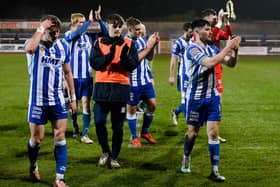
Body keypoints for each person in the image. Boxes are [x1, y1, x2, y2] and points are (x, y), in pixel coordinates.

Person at [180, 19, 240, 182]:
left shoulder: (212, 48)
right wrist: (228, 46)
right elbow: (210, 62)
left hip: (212, 98)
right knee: (192, 134)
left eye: (210, 29)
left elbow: (231, 64)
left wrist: (235, 51)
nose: (211, 31)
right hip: (195, 99)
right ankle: (186, 156)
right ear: (196, 32)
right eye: (207, 29)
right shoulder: (192, 49)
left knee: (213, 133)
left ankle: (214, 170)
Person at [25, 15, 77, 187]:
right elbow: (30, 49)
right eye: (51, 32)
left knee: (60, 136)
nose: (55, 35)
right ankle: (33, 166)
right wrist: (41, 28)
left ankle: (59, 179)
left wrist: (73, 98)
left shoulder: (63, 47)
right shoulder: (34, 43)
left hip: (58, 100)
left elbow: (68, 73)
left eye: (57, 32)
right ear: (44, 30)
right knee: (37, 139)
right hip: (38, 100)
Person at [89, 13, 139, 168]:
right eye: (114, 26)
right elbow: (95, 64)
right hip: (102, 88)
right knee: (99, 122)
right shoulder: (98, 42)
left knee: (117, 126)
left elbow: (133, 65)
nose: (117, 29)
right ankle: (105, 151)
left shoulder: (129, 43)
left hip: (120, 88)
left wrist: (124, 58)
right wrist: (110, 56)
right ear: (108, 26)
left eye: (119, 26)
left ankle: (115, 157)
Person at [64, 6, 108, 144]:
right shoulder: (68, 36)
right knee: (74, 106)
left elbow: (106, 34)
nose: (83, 25)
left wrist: (99, 20)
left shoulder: (89, 37)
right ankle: (76, 126)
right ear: (73, 23)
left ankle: (85, 134)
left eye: (84, 22)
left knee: (86, 106)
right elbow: (75, 34)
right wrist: (89, 22)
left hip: (87, 77)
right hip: (72, 78)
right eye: (80, 22)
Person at [125, 17, 160, 147]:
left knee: (152, 106)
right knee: (132, 110)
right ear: (130, 29)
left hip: (145, 80)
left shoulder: (140, 39)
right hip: (132, 82)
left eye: (141, 29)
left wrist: (153, 46)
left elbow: (148, 57)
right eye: (138, 30)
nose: (140, 32)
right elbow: (132, 62)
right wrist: (148, 47)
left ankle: (145, 132)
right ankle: (134, 137)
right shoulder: (125, 42)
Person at [202, 8, 233, 143]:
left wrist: (226, 21)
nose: (214, 17)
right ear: (205, 18)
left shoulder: (215, 29)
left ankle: (214, 132)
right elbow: (212, 36)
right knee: (197, 102)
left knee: (218, 102)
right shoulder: (202, 31)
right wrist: (220, 20)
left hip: (217, 68)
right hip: (203, 67)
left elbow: (226, 36)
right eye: (212, 16)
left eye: (215, 15)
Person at [169, 22, 193, 125]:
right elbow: (173, 60)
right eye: (190, 32)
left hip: (193, 74)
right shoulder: (178, 43)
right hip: (183, 75)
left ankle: (175, 111)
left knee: (192, 100)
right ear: (185, 30)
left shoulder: (193, 41)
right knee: (185, 101)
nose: (192, 34)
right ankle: (190, 129)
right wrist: (171, 76)